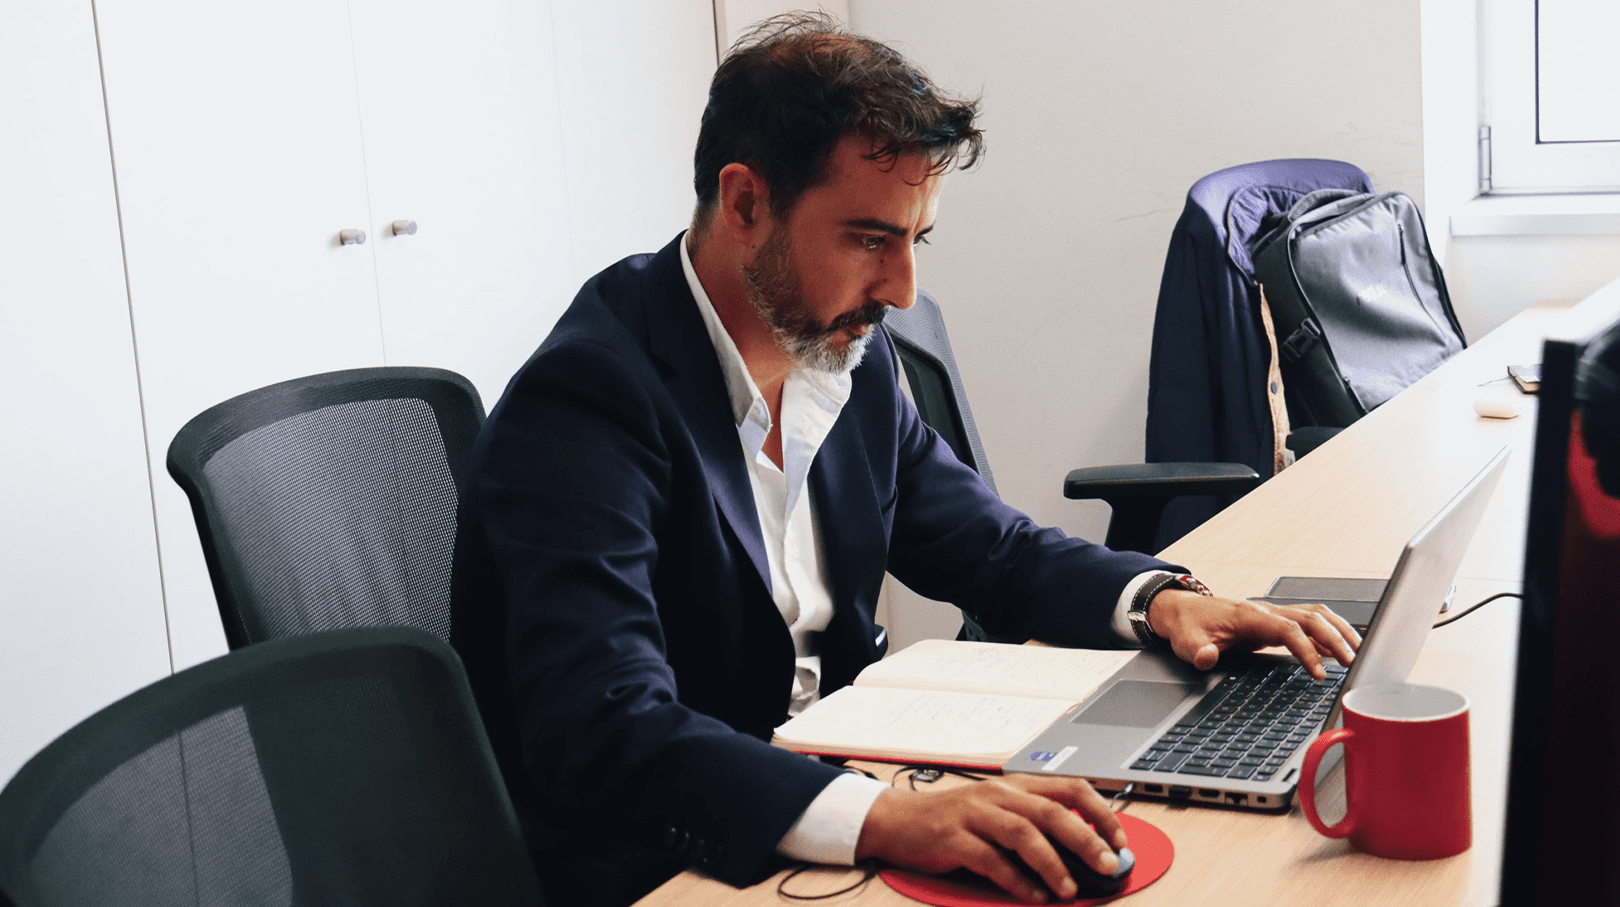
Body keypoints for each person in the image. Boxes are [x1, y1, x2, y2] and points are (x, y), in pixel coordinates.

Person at [449, 13, 1359, 907]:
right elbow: (608, 729)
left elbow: (990, 548)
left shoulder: (845, 357)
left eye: (914, 241)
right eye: (869, 239)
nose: (902, 290)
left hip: (839, 800)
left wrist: (1165, 600)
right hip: (681, 858)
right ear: (745, 203)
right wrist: (887, 817)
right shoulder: (587, 402)